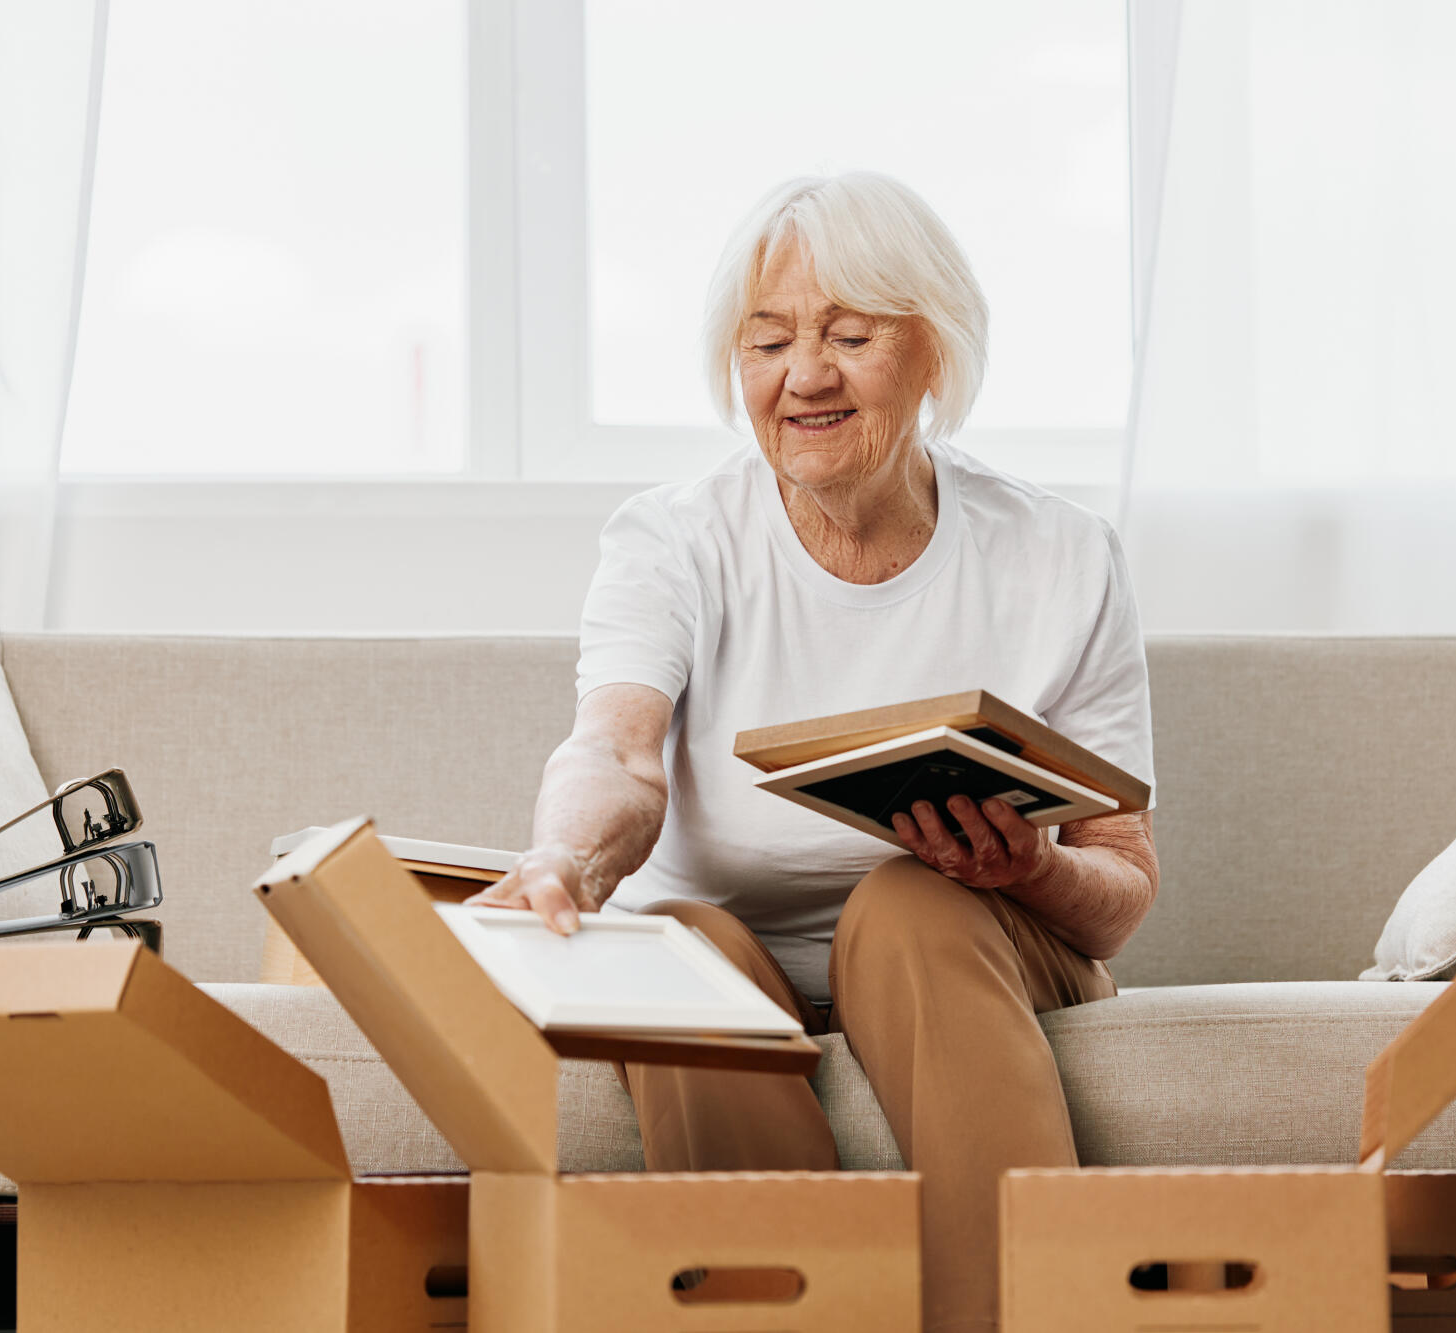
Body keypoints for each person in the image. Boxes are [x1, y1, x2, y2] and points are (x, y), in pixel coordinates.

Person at [468, 171, 1159, 1333]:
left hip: (973, 944)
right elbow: (616, 754)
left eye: (849, 334)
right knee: (671, 944)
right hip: (731, 958)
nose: (804, 375)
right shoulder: (674, 538)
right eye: (768, 339)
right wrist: (566, 861)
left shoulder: (1061, 553)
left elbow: (1121, 888)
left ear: (932, 352)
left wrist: (1025, 870)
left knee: (907, 902)